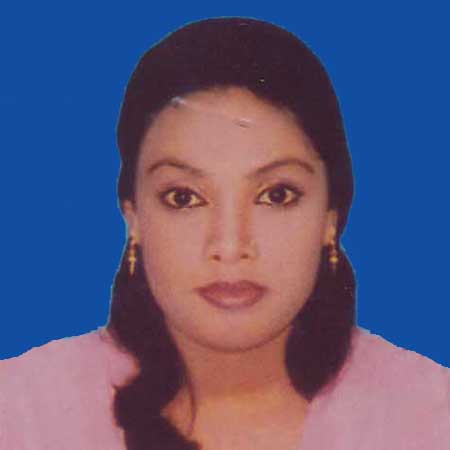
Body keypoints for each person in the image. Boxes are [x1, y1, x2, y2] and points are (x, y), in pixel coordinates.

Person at [1, 17, 449, 450]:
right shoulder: (21, 413)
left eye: (276, 195)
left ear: (331, 216)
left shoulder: (430, 416)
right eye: (184, 198)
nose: (230, 246)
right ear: (133, 217)